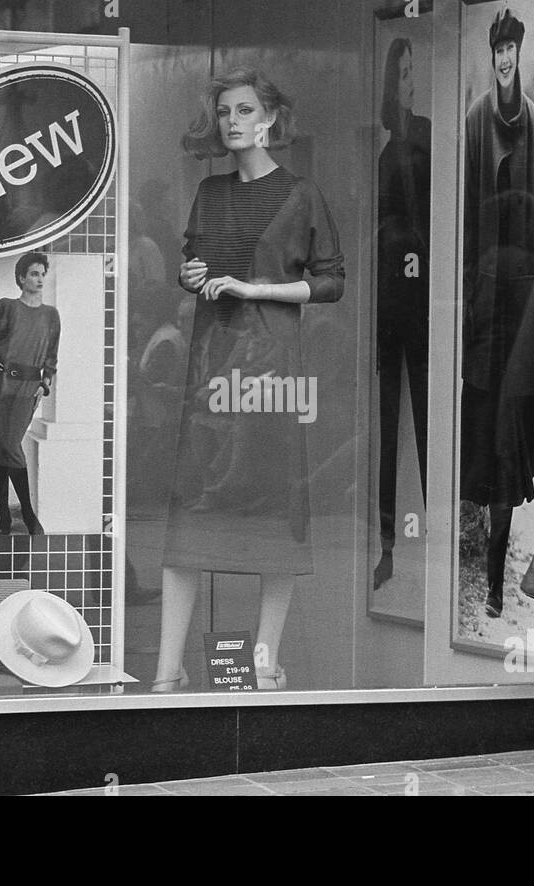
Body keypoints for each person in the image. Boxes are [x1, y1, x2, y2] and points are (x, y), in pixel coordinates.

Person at [155, 66, 345, 692]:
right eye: (225, 113)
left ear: (268, 120)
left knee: (273, 508)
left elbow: (331, 282)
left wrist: (252, 287)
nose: (231, 123)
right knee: (192, 502)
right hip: (211, 364)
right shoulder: (209, 192)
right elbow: (192, 262)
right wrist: (192, 277)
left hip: (272, 368)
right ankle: (166, 670)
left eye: (242, 112)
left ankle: (263, 662)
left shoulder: (302, 193)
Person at [460, 7, 534, 619]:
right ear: (491, 56)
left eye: (512, 47)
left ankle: (493, 579)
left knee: (509, 447)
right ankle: (467, 567)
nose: (506, 57)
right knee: (478, 438)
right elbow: (464, 211)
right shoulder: (473, 121)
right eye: (499, 49)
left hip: (521, 306)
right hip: (480, 302)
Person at [373, 37, 431, 591]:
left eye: (413, 71)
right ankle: (388, 541)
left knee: (430, 423)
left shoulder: (426, 139)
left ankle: (438, 540)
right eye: (402, 74)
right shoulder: (388, 150)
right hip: (390, 302)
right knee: (389, 425)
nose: (408, 82)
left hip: (423, 303)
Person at [0, 252, 61, 535]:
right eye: (33, 273)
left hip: (28, 389)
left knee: (9, 446)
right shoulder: (6, 307)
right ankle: (7, 514)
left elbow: (51, 355)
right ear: (21, 279)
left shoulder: (51, 315)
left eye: (42, 273)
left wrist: (47, 380)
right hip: (0, 384)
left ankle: (26, 514)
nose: (39, 278)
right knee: (0, 450)